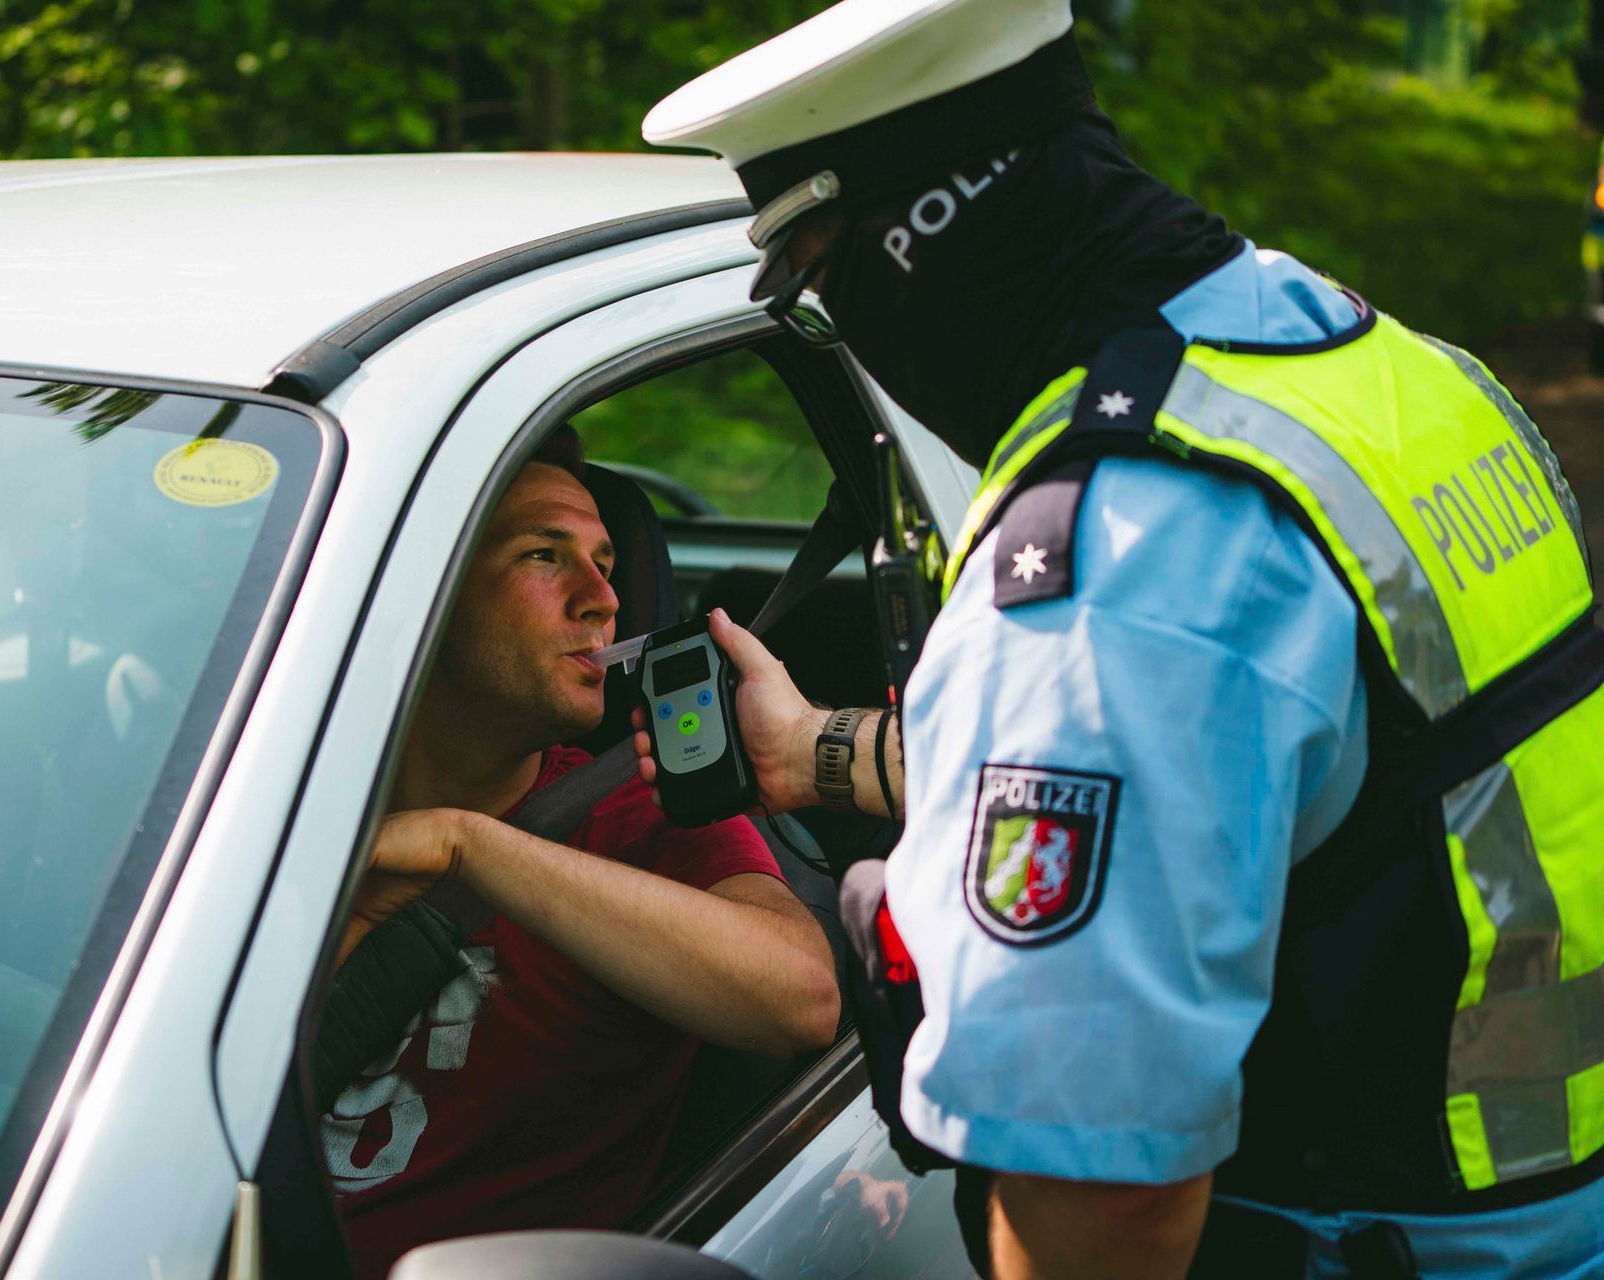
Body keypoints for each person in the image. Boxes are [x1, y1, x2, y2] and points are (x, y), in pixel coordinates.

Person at [635, 1, 1604, 1276]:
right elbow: (1283, 782)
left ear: (906, 238)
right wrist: (815, 751)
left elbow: (1106, 1204)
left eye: (817, 278)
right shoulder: (1383, 372)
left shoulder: (1112, 571)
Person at [323, 428, 838, 1277]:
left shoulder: (641, 807)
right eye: (543, 554)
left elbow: (800, 996)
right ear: (428, 589)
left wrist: (466, 846)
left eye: (604, 561)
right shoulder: (291, 785)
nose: (603, 598)